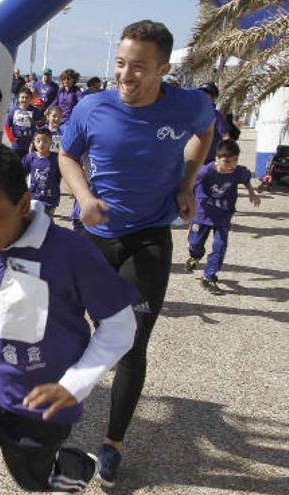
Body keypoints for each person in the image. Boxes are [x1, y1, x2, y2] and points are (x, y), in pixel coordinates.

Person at [0, 142, 138, 494]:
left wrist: (74, 386)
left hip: (42, 406)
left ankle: (73, 465)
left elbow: (121, 326)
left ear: (23, 205)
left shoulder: (72, 253)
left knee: (35, 480)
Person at [59, 20, 215, 487]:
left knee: (130, 343)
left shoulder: (190, 105)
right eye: (121, 64)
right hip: (94, 238)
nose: (126, 76)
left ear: (164, 69)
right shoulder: (91, 107)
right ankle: (54, 422)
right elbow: (67, 155)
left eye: (139, 68)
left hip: (148, 237)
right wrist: (85, 198)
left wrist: (188, 180)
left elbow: (204, 133)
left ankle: (112, 445)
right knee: (68, 333)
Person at [186, 139, 260, 292]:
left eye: (235, 161)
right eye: (227, 161)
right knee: (195, 243)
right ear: (217, 158)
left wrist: (252, 193)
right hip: (201, 215)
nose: (231, 165)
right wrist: (185, 200)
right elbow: (188, 182)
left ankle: (209, 276)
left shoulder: (237, 171)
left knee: (220, 247)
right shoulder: (205, 171)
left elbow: (246, 178)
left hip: (223, 216)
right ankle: (195, 256)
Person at [22, 129, 62, 216]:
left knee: (46, 223)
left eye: (45, 141)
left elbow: (64, 175)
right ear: (34, 142)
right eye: (38, 141)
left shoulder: (56, 159)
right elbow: (20, 173)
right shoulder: (30, 158)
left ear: (51, 142)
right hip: (33, 198)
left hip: (49, 199)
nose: (41, 144)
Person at [197, 83, 233, 164]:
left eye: (207, 94)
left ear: (213, 98)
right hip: (191, 157)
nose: (203, 95)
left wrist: (227, 155)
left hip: (209, 159)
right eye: (202, 93)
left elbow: (225, 136)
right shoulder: (193, 112)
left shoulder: (215, 115)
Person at [4, 87, 44, 160]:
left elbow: (42, 123)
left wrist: (34, 122)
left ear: (31, 99)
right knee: (16, 164)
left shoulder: (35, 111)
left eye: (26, 98)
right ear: (18, 98)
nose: (24, 100)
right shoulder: (13, 110)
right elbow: (7, 125)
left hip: (30, 145)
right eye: (22, 97)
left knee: (28, 165)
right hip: (16, 144)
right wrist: (10, 137)